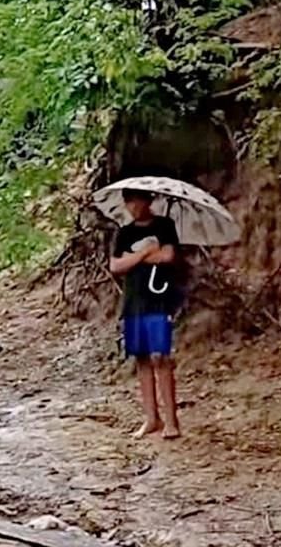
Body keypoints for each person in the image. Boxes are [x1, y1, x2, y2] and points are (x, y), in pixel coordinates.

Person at [110, 188, 181, 440]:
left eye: (136, 201)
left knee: (160, 356)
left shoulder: (164, 226)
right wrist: (144, 253)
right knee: (141, 358)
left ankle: (172, 420)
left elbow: (168, 255)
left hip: (159, 298)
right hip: (133, 301)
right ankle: (152, 418)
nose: (132, 207)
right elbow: (116, 265)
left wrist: (137, 258)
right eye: (128, 202)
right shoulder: (125, 232)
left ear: (147, 200)